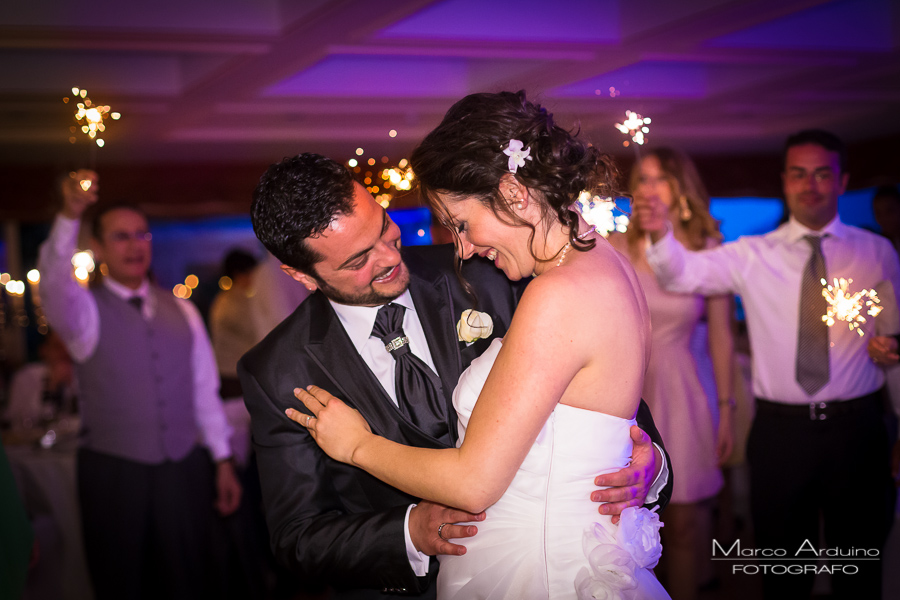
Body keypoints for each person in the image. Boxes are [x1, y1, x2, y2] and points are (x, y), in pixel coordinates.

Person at [283, 91, 671, 599]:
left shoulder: (559, 293)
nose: (463, 249)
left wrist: (357, 445)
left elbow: (473, 484)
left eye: (461, 224)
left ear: (513, 193)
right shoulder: (603, 260)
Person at [635, 130, 900, 599]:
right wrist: (660, 231)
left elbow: (895, 344)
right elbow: (682, 274)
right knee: (782, 572)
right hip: (781, 435)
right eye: (799, 174)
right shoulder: (753, 254)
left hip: (859, 431)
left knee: (860, 569)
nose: (810, 184)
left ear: (843, 181)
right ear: (784, 181)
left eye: (823, 173)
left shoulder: (876, 252)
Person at [37, 169, 242, 600]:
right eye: (121, 237)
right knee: (123, 582)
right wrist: (69, 215)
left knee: (188, 580)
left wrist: (222, 460)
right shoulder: (83, 314)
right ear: (98, 247)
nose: (135, 246)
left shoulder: (182, 311)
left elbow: (203, 390)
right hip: (114, 471)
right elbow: (54, 284)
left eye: (142, 235)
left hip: (184, 469)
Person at [608, 147, 734, 599]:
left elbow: (722, 337)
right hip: (626, 385)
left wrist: (727, 409)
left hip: (683, 391)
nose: (648, 189)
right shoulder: (615, 247)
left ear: (680, 188)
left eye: (659, 179)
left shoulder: (704, 248)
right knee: (622, 523)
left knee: (682, 524)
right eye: (641, 179)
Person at [209, 248, 260, 398]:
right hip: (233, 375)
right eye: (252, 272)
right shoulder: (233, 300)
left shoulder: (224, 298)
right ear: (240, 273)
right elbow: (254, 330)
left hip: (229, 372)